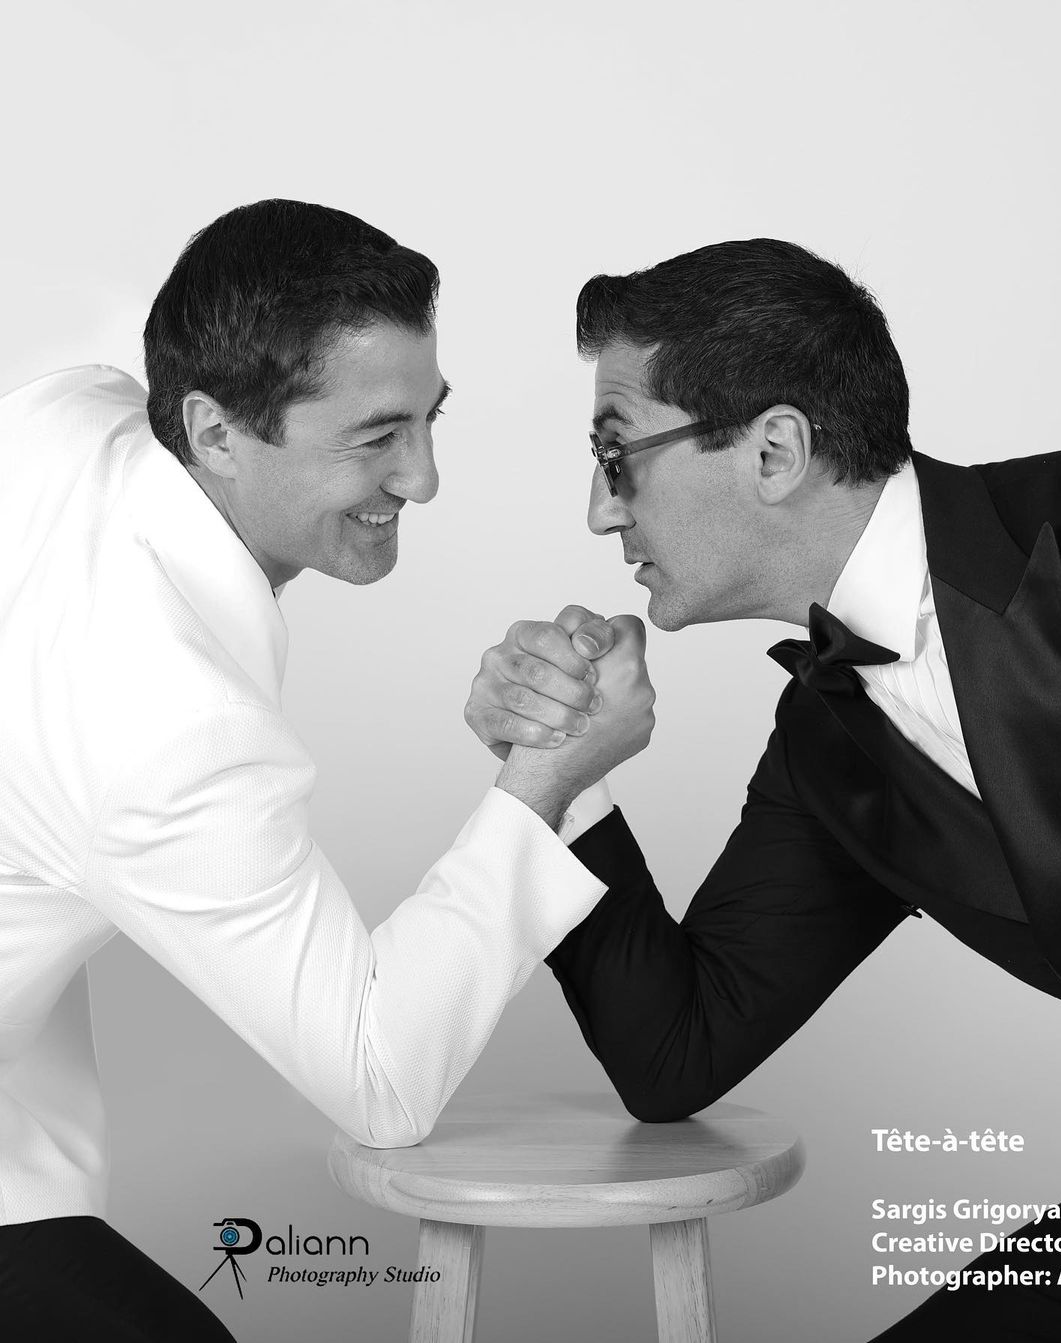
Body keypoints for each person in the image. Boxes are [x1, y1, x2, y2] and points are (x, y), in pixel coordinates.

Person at [0, 198, 655, 1341]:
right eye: (376, 436)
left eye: (428, 420)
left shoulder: (70, 410)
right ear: (212, 430)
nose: (424, 479)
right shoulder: (163, 727)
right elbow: (379, 1077)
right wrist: (543, 780)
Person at [465, 237, 1061, 1340]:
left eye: (617, 456)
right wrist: (558, 774)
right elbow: (674, 1051)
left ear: (775, 451)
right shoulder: (827, 747)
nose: (601, 512)